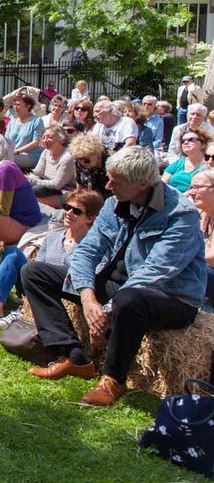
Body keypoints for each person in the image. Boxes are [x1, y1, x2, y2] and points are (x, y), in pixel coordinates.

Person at [20, 146, 205, 406]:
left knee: (129, 299)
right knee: (35, 272)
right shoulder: (114, 203)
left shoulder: (181, 216)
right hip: (118, 285)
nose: (107, 185)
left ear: (142, 183)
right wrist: (87, 296)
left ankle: (112, 379)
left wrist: (106, 310)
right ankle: (75, 357)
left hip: (170, 296)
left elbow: (155, 272)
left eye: (115, 181)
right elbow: (87, 250)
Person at [0, 188, 105, 328]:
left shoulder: (93, 247)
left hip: (66, 293)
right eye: (67, 207)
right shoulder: (52, 237)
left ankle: (25, 311)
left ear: (91, 218)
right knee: (13, 253)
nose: (68, 213)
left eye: (76, 211)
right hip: (37, 285)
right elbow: (36, 270)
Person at [183, 167, 214, 313]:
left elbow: (212, 258)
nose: (191, 192)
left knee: (197, 269)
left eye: (198, 187)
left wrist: (181, 259)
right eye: (191, 187)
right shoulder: (204, 215)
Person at [27, 125, 75, 205]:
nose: (45, 140)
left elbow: (56, 185)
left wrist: (31, 180)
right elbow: (37, 173)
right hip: (46, 188)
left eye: (49, 137)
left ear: (61, 138)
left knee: (34, 191)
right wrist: (26, 180)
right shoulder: (46, 152)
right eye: (43, 137)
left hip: (63, 192)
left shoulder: (67, 158)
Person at [7, 92, 45, 170]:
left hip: (31, 155)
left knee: (6, 159)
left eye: (18, 105)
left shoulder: (37, 121)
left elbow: (36, 142)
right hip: (12, 154)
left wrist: (17, 152)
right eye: (14, 104)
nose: (15, 107)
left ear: (28, 106)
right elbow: (6, 140)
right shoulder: (12, 121)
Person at [69, 133, 110, 199]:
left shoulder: (110, 162)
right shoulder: (78, 163)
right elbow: (80, 186)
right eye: (79, 159)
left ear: (98, 154)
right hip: (90, 198)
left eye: (86, 159)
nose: (82, 162)